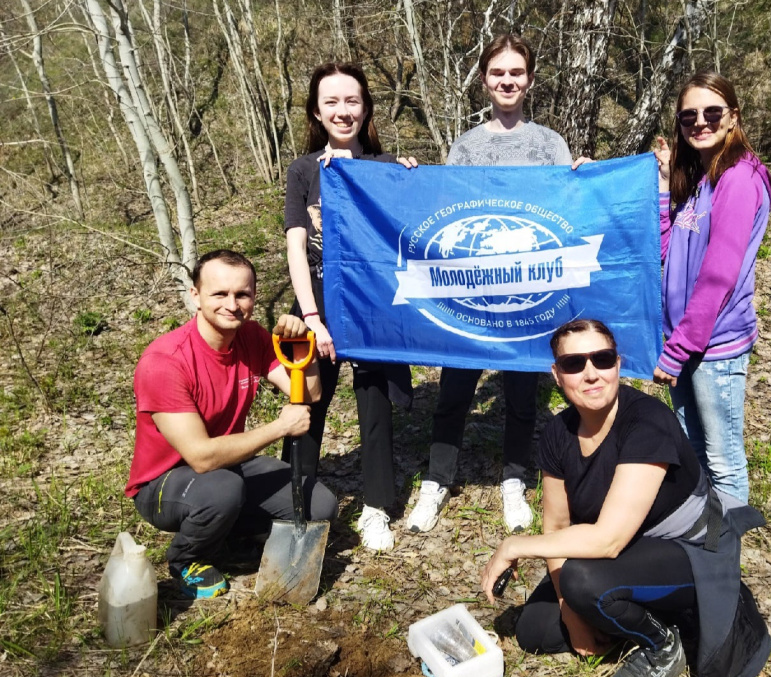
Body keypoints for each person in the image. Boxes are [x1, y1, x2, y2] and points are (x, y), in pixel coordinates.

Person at [480, 319, 771, 677]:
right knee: (536, 631)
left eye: (601, 359)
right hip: (633, 549)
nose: (590, 374)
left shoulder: (646, 422)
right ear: (556, 374)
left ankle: (663, 644)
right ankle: (634, 613)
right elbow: (558, 525)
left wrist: (515, 546)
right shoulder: (558, 433)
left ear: (617, 363)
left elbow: (609, 538)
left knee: (583, 579)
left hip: (695, 548)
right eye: (573, 364)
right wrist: (570, 612)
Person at [406, 33, 587, 535]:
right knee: (454, 392)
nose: (507, 81)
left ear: (529, 79)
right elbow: (445, 209)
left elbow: (570, 210)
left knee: (522, 396)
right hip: (468, 295)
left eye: (516, 73)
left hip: (530, 293)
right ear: (484, 80)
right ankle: (436, 481)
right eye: (498, 73)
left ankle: (513, 480)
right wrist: (410, 179)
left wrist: (586, 177)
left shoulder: (550, 143)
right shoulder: (466, 145)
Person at [127, 249, 338, 599]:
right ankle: (186, 557)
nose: (232, 304)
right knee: (222, 489)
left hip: (228, 466)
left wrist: (303, 350)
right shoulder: (165, 362)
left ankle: (229, 537)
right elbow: (201, 458)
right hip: (162, 485)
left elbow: (310, 393)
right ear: (195, 296)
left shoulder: (251, 337)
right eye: (219, 294)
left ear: (253, 296)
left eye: (242, 294)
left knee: (319, 504)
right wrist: (279, 428)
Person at [284, 62, 413, 551]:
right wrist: (312, 319)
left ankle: (376, 508)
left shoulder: (386, 169)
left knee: (375, 407)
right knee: (305, 407)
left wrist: (412, 184)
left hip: (373, 308)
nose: (343, 111)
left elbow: (410, 235)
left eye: (352, 101)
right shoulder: (303, 170)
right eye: (332, 102)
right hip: (311, 307)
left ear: (366, 108)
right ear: (317, 110)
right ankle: (291, 500)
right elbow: (297, 245)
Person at [652, 72, 771, 504]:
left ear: (733, 116)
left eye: (712, 112)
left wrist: (677, 348)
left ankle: (723, 566)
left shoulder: (739, 178)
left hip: (712, 346)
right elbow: (668, 250)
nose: (700, 122)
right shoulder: (702, 175)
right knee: (692, 452)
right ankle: (703, 543)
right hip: (684, 340)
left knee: (723, 461)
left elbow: (720, 275)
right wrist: (666, 184)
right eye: (689, 115)